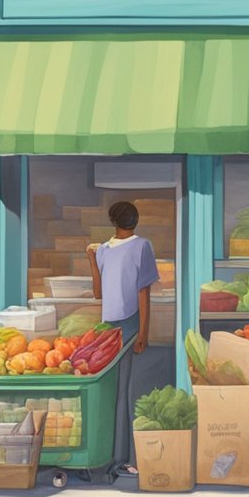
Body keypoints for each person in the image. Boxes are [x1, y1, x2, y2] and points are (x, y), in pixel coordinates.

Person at [87, 201, 159, 477]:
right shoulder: (140, 246)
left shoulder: (107, 249)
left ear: (112, 220)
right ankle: (122, 459)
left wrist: (91, 259)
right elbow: (143, 294)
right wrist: (143, 332)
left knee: (117, 393)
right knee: (125, 394)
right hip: (126, 325)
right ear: (135, 220)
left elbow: (98, 293)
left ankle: (116, 459)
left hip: (113, 327)